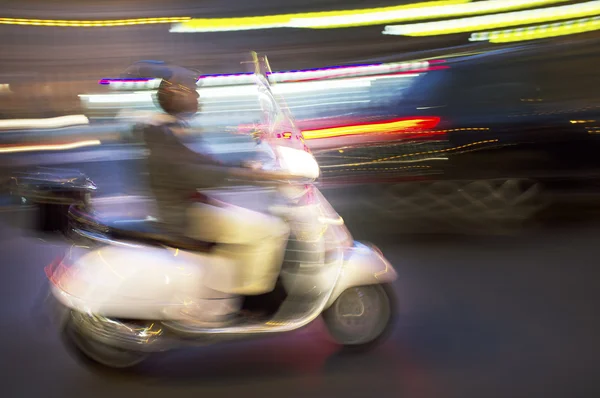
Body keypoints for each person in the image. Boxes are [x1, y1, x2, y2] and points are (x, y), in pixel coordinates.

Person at [136, 63, 290, 306]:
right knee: (271, 230)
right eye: (192, 91)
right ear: (175, 96)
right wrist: (243, 175)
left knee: (250, 219)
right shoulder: (164, 133)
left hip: (187, 205)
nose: (197, 96)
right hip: (183, 214)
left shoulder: (171, 129)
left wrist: (244, 166)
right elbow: (193, 172)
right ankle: (249, 303)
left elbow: (203, 164)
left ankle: (219, 291)